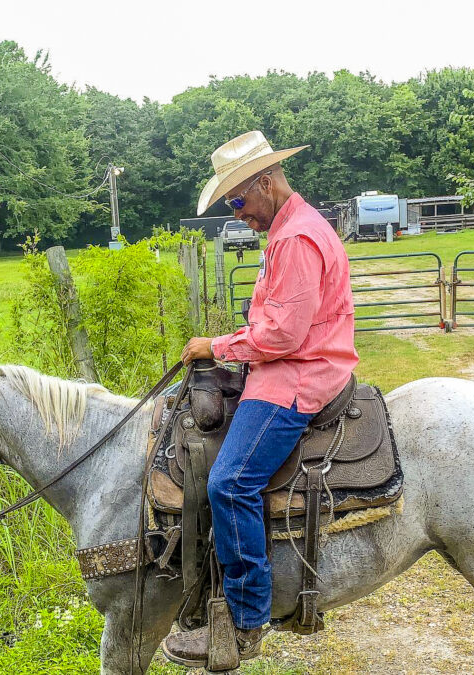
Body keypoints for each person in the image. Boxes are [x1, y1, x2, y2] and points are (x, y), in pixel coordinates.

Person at [161, 130, 359, 667]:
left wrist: (216, 345)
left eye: (239, 200)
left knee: (230, 483)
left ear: (265, 183)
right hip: (284, 367)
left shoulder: (295, 239)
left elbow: (285, 336)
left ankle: (245, 622)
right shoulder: (288, 229)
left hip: (296, 376)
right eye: (231, 203)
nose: (238, 212)